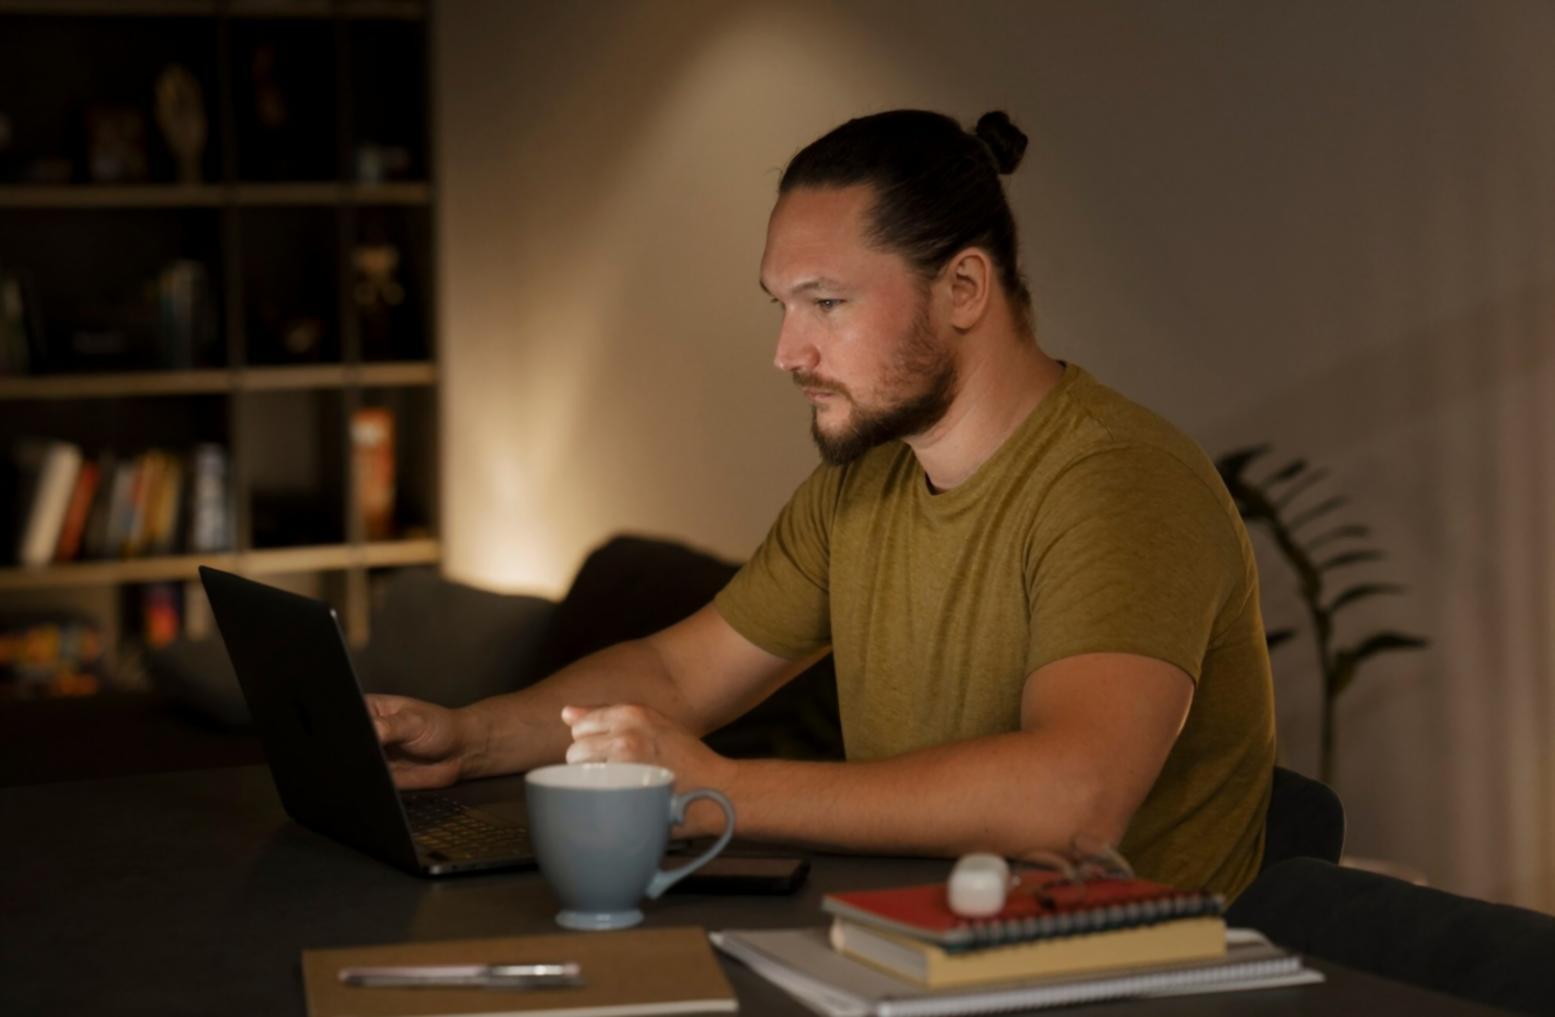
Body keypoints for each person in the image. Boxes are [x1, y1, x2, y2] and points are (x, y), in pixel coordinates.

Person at [369, 110, 1276, 899]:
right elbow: (676, 676)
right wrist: (472, 737)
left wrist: (720, 788)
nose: (786, 351)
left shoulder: (1119, 483)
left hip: (1132, 974)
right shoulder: (861, 486)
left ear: (963, 288)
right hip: (912, 942)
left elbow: (1073, 800)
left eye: (826, 302)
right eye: (781, 304)